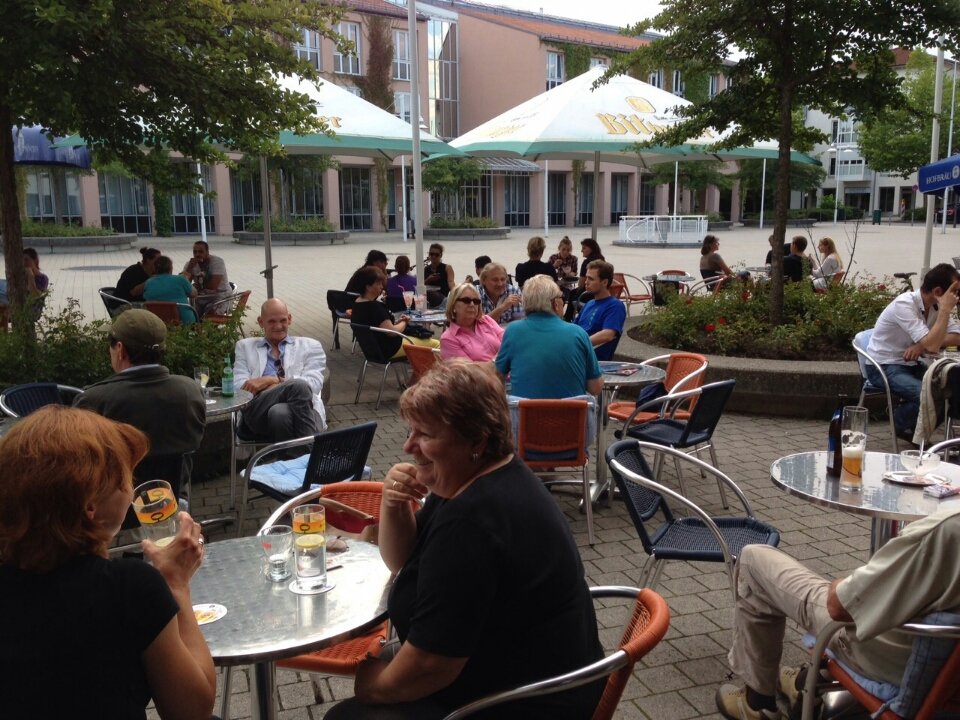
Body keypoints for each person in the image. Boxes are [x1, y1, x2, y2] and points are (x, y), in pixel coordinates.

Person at [325, 362, 604, 720]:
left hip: (526, 701)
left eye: (425, 435)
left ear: (477, 440)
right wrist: (393, 505)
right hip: (548, 677)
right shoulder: (481, 475)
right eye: (411, 431)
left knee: (347, 716)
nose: (409, 446)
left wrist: (371, 685)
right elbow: (402, 561)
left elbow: (430, 665)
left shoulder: (472, 522)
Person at [0, 406, 215, 719]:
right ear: (91, 505)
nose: (130, 489)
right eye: (125, 477)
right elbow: (193, 710)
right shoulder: (127, 588)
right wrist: (176, 584)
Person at [715, 507, 960, 720]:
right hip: (946, 674)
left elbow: (839, 605)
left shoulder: (947, 529)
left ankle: (757, 705)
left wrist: (849, 584)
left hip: (883, 659)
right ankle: (803, 683)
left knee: (753, 559)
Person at [73, 309, 205, 499]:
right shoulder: (189, 390)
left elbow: (80, 463)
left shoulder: (93, 400)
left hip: (114, 514)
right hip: (172, 502)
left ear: (120, 349)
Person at [866, 263, 960, 440]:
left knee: (951, 389)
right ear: (938, 292)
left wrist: (921, 345)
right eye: (955, 292)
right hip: (884, 365)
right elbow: (932, 346)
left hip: (912, 363)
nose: (957, 298)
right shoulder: (905, 304)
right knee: (928, 395)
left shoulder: (936, 307)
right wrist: (930, 339)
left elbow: (956, 336)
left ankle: (913, 428)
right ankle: (900, 421)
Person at [234, 298, 328, 441]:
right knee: (299, 385)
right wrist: (286, 387)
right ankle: (310, 453)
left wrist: (270, 380)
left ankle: (292, 458)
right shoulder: (245, 347)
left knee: (280, 412)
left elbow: (313, 385)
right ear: (261, 322)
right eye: (271, 321)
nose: (278, 326)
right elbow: (239, 386)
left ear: (289, 319)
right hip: (258, 411)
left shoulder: (311, 346)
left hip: (299, 410)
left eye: (283, 320)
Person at [495, 275, 602, 398]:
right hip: (570, 415)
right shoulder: (578, 333)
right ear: (555, 303)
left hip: (526, 415)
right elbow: (595, 387)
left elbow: (498, 377)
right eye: (562, 297)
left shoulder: (513, 331)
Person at [349, 266, 440, 359]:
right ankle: (431, 372)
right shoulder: (375, 307)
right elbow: (392, 332)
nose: (381, 286)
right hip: (391, 348)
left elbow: (380, 326)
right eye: (378, 283)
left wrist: (398, 322)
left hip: (372, 351)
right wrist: (404, 322)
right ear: (368, 286)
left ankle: (420, 371)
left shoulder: (357, 304)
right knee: (436, 345)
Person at [575, 260, 627, 362]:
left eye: (591, 279)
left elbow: (608, 335)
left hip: (592, 362)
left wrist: (576, 345)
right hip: (576, 356)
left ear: (604, 282)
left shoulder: (615, 306)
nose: (586, 282)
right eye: (586, 278)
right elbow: (574, 328)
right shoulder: (589, 304)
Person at [439, 282, 504, 362]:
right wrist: (499, 361)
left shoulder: (487, 321)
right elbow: (470, 371)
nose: (472, 304)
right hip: (483, 374)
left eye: (476, 301)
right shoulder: (448, 339)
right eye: (466, 300)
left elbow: (509, 343)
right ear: (453, 306)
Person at [144, 255, 197, 325]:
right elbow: (194, 294)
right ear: (170, 268)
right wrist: (186, 279)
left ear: (155, 268)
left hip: (158, 323)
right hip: (184, 323)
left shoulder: (148, 283)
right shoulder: (180, 279)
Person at [563, 238, 605, 320]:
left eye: (584, 248)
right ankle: (568, 317)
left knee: (573, 293)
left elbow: (581, 284)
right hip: (600, 292)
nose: (582, 250)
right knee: (573, 292)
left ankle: (568, 318)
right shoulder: (602, 260)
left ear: (591, 248)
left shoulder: (587, 263)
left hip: (588, 295)